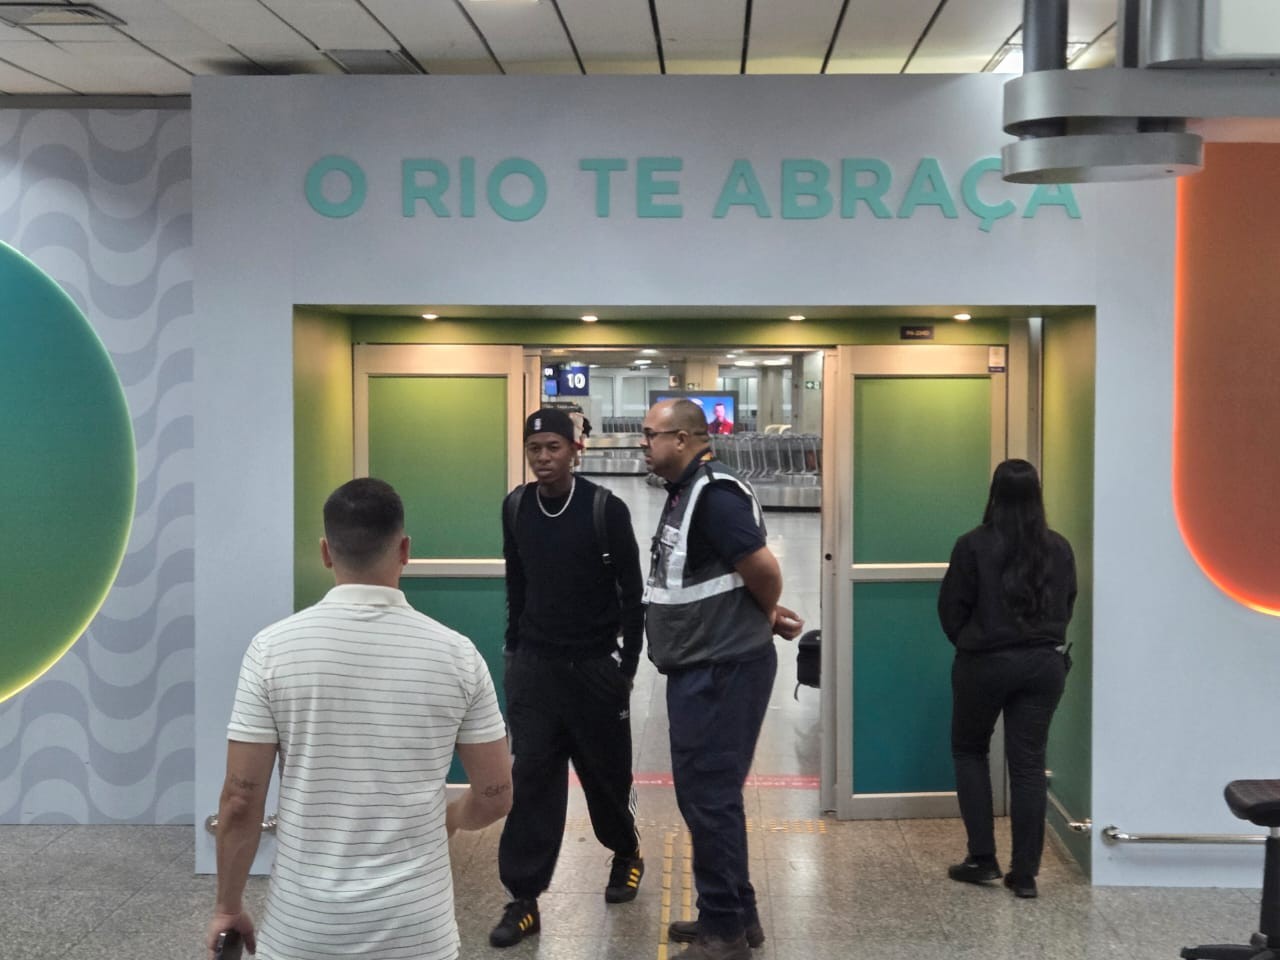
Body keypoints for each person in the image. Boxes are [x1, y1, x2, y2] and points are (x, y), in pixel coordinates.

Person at [205, 478, 511, 960]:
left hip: (303, 931)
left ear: (326, 553)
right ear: (405, 549)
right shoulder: (458, 656)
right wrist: (449, 816)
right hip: (418, 932)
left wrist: (228, 906)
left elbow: (241, 801)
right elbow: (496, 797)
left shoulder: (272, 650)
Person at [640, 398, 803, 960]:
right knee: (710, 796)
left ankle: (725, 932)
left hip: (722, 668)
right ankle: (734, 913)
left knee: (709, 798)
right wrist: (759, 613)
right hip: (706, 662)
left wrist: (764, 609)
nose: (643, 443)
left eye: (651, 434)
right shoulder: (689, 492)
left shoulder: (715, 495)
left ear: (684, 439)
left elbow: (762, 569)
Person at [490, 408, 647, 948]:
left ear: (575, 449)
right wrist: (514, 649)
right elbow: (518, 582)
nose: (543, 458)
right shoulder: (516, 508)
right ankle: (524, 898)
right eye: (535, 448)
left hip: (594, 668)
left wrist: (626, 666)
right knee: (532, 781)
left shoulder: (605, 509)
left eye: (553, 447)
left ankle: (626, 852)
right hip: (535, 668)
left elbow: (632, 592)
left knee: (606, 777)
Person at [938, 458, 1077, 900]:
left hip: (984, 663)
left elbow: (951, 609)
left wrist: (971, 641)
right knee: (1029, 765)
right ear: (1038, 495)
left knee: (969, 750)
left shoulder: (972, 545)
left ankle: (982, 859)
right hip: (1043, 666)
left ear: (993, 493)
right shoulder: (1058, 547)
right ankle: (1026, 873)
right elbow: (1067, 604)